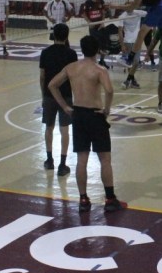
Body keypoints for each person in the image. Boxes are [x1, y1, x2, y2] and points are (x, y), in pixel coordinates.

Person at [48, 35, 126, 213]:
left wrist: (65, 107)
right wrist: (107, 109)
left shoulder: (71, 68)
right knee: (105, 159)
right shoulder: (99, 70)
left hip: (78, 115)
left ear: (82, 49)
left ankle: (83, 199)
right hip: (95, 115)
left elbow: (52, 85)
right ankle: (110, 199)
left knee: (81, 160)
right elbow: (109, 90)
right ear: (97, 50)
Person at [39, 23, 78, 177]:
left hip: (49, 95)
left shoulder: (45, 53)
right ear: (67, 36)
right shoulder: (71, 54)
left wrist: (43, 95)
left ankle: (49, 160)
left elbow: (42, 77)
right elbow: (73, 77)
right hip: (65, 96)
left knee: (49, 127)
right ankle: (62, 164)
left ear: (53, 35)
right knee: (64, 130)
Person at [81, 0, 109, 67]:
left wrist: (102, 22)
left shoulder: (101, 1)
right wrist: (89, 22)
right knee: (93, 44)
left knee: (103, 44)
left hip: (100, 26)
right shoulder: (87, 2)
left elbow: (103, 12)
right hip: (92, 27)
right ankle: (93, 62)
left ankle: (102, 61)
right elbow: (83, 14)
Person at [119, 7, 146, 89]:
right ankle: (132, 81)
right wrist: (122, 45)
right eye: (127, 5)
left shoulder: (139, 12)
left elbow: (150, 13)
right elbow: (120, 31)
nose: (129, 6)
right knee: (130, 63)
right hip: (127, 41)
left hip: (137, 41)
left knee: (136, 62)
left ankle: (129, 80)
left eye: (131, 4)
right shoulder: (122, 16)